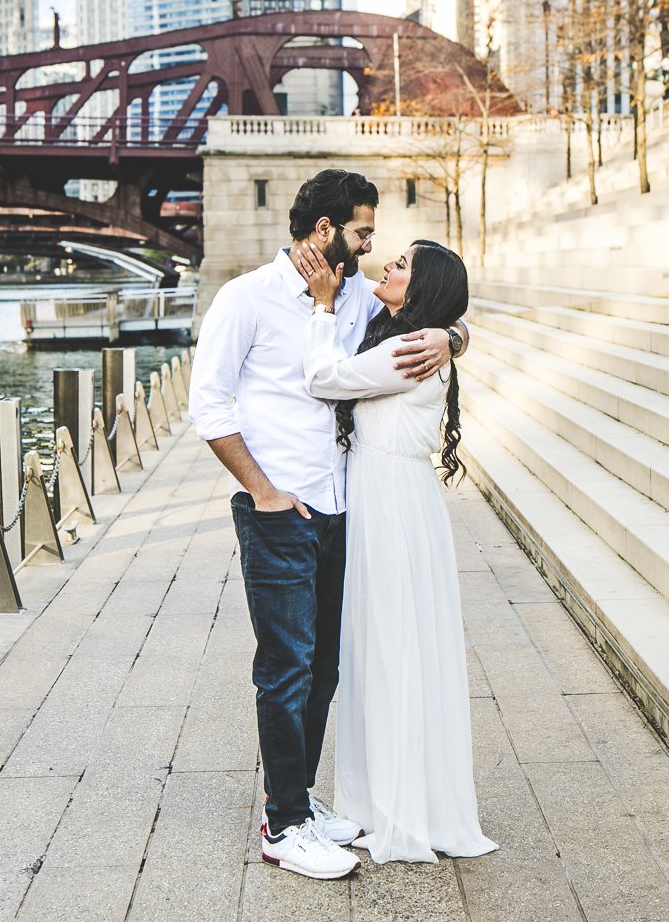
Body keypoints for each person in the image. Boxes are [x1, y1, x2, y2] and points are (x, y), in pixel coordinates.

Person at [189, 169, 468, 881]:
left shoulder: (347, 301)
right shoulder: (244, 299)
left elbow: (415, 323)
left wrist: (452, 332)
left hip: (344, 510)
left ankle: (299, 800)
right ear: (324, 232)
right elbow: (210, 409)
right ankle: (283, 826)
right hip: (281, 511)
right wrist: (264, 492)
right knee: (285, 670)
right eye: (362, 233)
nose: (371, 248)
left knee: (323, 671)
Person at [298, 238, 498, 864]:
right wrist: (456, 333)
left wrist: (323, 307)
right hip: (397, 497)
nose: (388, 263)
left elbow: (322, 378)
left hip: (389, 503)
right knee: (391, 646)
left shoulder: (407, 347)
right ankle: (390, 798)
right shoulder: (421, 338)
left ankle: (393, 807)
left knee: (389, 646)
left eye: (404, 264)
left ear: (424, 290)